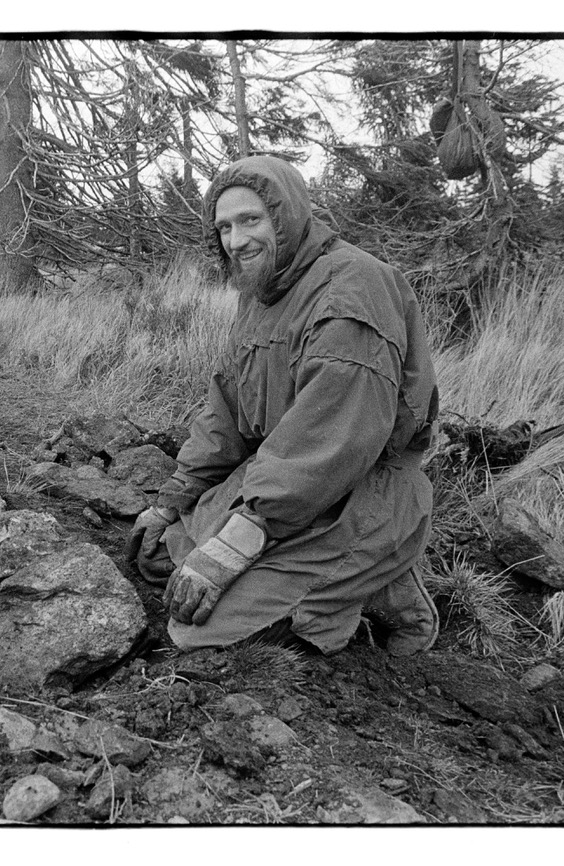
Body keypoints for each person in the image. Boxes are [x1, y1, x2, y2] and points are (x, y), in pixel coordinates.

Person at [126, 155, 441, 658]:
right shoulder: (261, 288)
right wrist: (176, 497)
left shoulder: (351, 287)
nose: (237, 241)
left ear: (287, 215)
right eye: (225, 227)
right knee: (161, 560)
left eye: (251, 220)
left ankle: (377, 584)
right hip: (284, 480)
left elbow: (335, 439)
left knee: (198, 635)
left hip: (360, 491)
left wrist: (245, 535)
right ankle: (363, 578)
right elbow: (223, 411)